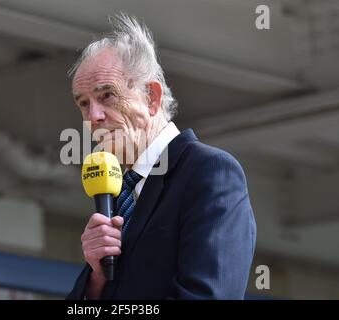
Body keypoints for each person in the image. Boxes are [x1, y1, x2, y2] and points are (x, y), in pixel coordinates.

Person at [66, 13, 256, 300]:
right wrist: (96, 278)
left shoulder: (209, 172)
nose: (93, 116)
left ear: (152, 97)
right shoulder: (116, 196)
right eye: (83, 103)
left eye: (107, 95)